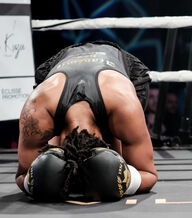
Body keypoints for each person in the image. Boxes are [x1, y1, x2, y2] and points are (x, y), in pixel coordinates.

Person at [15, 41, 158, 201]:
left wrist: (117, 174)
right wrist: (44, 176)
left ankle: (105, 164)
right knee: (51, 166)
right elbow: (22, 174)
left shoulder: (124, 106)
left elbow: (149, 174)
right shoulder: (37, 108)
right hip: (58, 63)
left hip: (124, 67)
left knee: (109, 164)